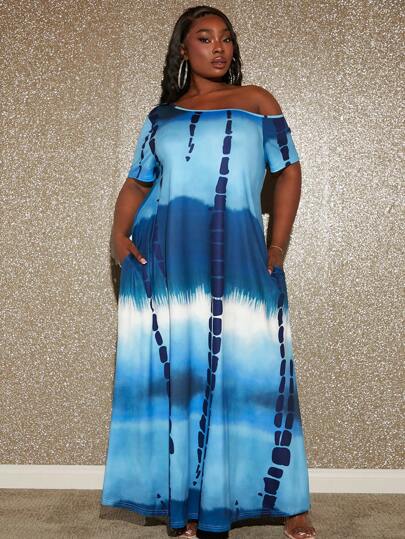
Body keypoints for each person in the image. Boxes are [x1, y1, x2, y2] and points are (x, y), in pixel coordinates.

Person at [100, 5, 316, 539]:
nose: (218, 47)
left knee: (258, 367)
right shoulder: (162, 117)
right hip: (169, 257)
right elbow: (137, 182)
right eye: (204, 38)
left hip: (236, 252)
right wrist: (118, 235)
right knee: (185, 372)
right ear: (183, 49)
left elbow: (289, 171)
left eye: (226, 38)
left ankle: (286, 500)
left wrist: (277, 244)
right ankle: (191, 503)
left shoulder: (257, 102)